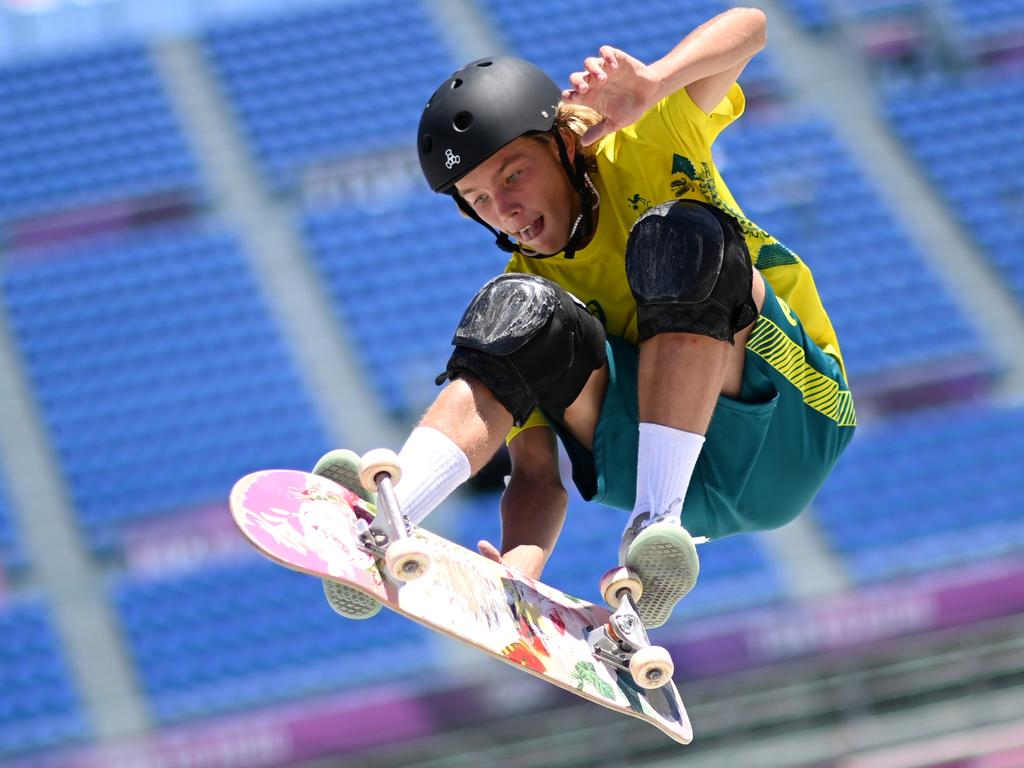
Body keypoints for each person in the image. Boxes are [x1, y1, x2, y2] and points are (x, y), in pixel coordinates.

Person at [317, 7, 856, 628]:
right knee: (515, 314)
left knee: (674, 235)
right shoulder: (528, 286)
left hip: (793, 421)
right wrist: (517, 570)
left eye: (514, 175)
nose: (506, 210)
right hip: (657, 473)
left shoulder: (646, 140)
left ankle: (656, 523)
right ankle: (387, 522)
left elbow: (752, 25)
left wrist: (657, 80)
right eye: (480, 201)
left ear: (566, 145)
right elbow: (538, 475)